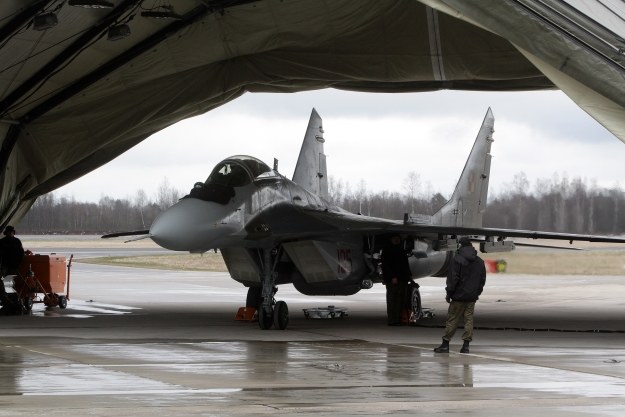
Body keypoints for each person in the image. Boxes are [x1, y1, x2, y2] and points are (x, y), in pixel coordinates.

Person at [434, 237, 486, 353]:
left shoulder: (457, 260)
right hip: (472, 297)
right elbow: (482, 280)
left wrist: (449, 293)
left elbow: (452, 280)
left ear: (460, 246)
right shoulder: (479, 261)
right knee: (469, 320)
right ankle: (466, 345)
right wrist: (476, 293)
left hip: (458, 297)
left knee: (452, 319)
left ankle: (445, 344)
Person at [381, 234, 412, 326]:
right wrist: (392, 277)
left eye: (398, 239)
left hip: (402, 278)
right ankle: (392, 320)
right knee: (392, 300)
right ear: (390, 239)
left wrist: (409, 276)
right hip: (393, 279)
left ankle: (399, 319)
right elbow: (386, 266)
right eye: (394, 239)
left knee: (401, 299)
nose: (396, 240)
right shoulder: (387, 251)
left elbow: (405, 265)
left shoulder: (401, 250)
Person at [0, 225, 25, 309]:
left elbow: (21, 253)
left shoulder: (17, 241)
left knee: (9, 284)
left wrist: (18, 264)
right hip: (4, 265)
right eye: (9, 232)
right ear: (6, 233)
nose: (10, 233)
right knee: (5, 284)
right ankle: (9, 302)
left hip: (13, 266)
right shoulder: (2, 242)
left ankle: (11, 302)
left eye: (11, 232)